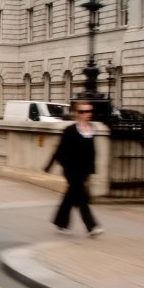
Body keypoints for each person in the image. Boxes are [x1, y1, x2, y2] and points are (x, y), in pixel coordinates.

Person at [44, 101, 104, 237]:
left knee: (71, 195)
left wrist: (92, 169)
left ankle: (60, 222)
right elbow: (59, 149)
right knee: (81, 196)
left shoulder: (92, 129)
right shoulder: (70, 130)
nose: (86, 114)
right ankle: (91, 226)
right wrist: (49, 165)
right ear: (77, 114)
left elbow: (92, 151)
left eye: (89, 111)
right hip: (70, 168)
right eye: (83, 112)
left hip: (83, 170)